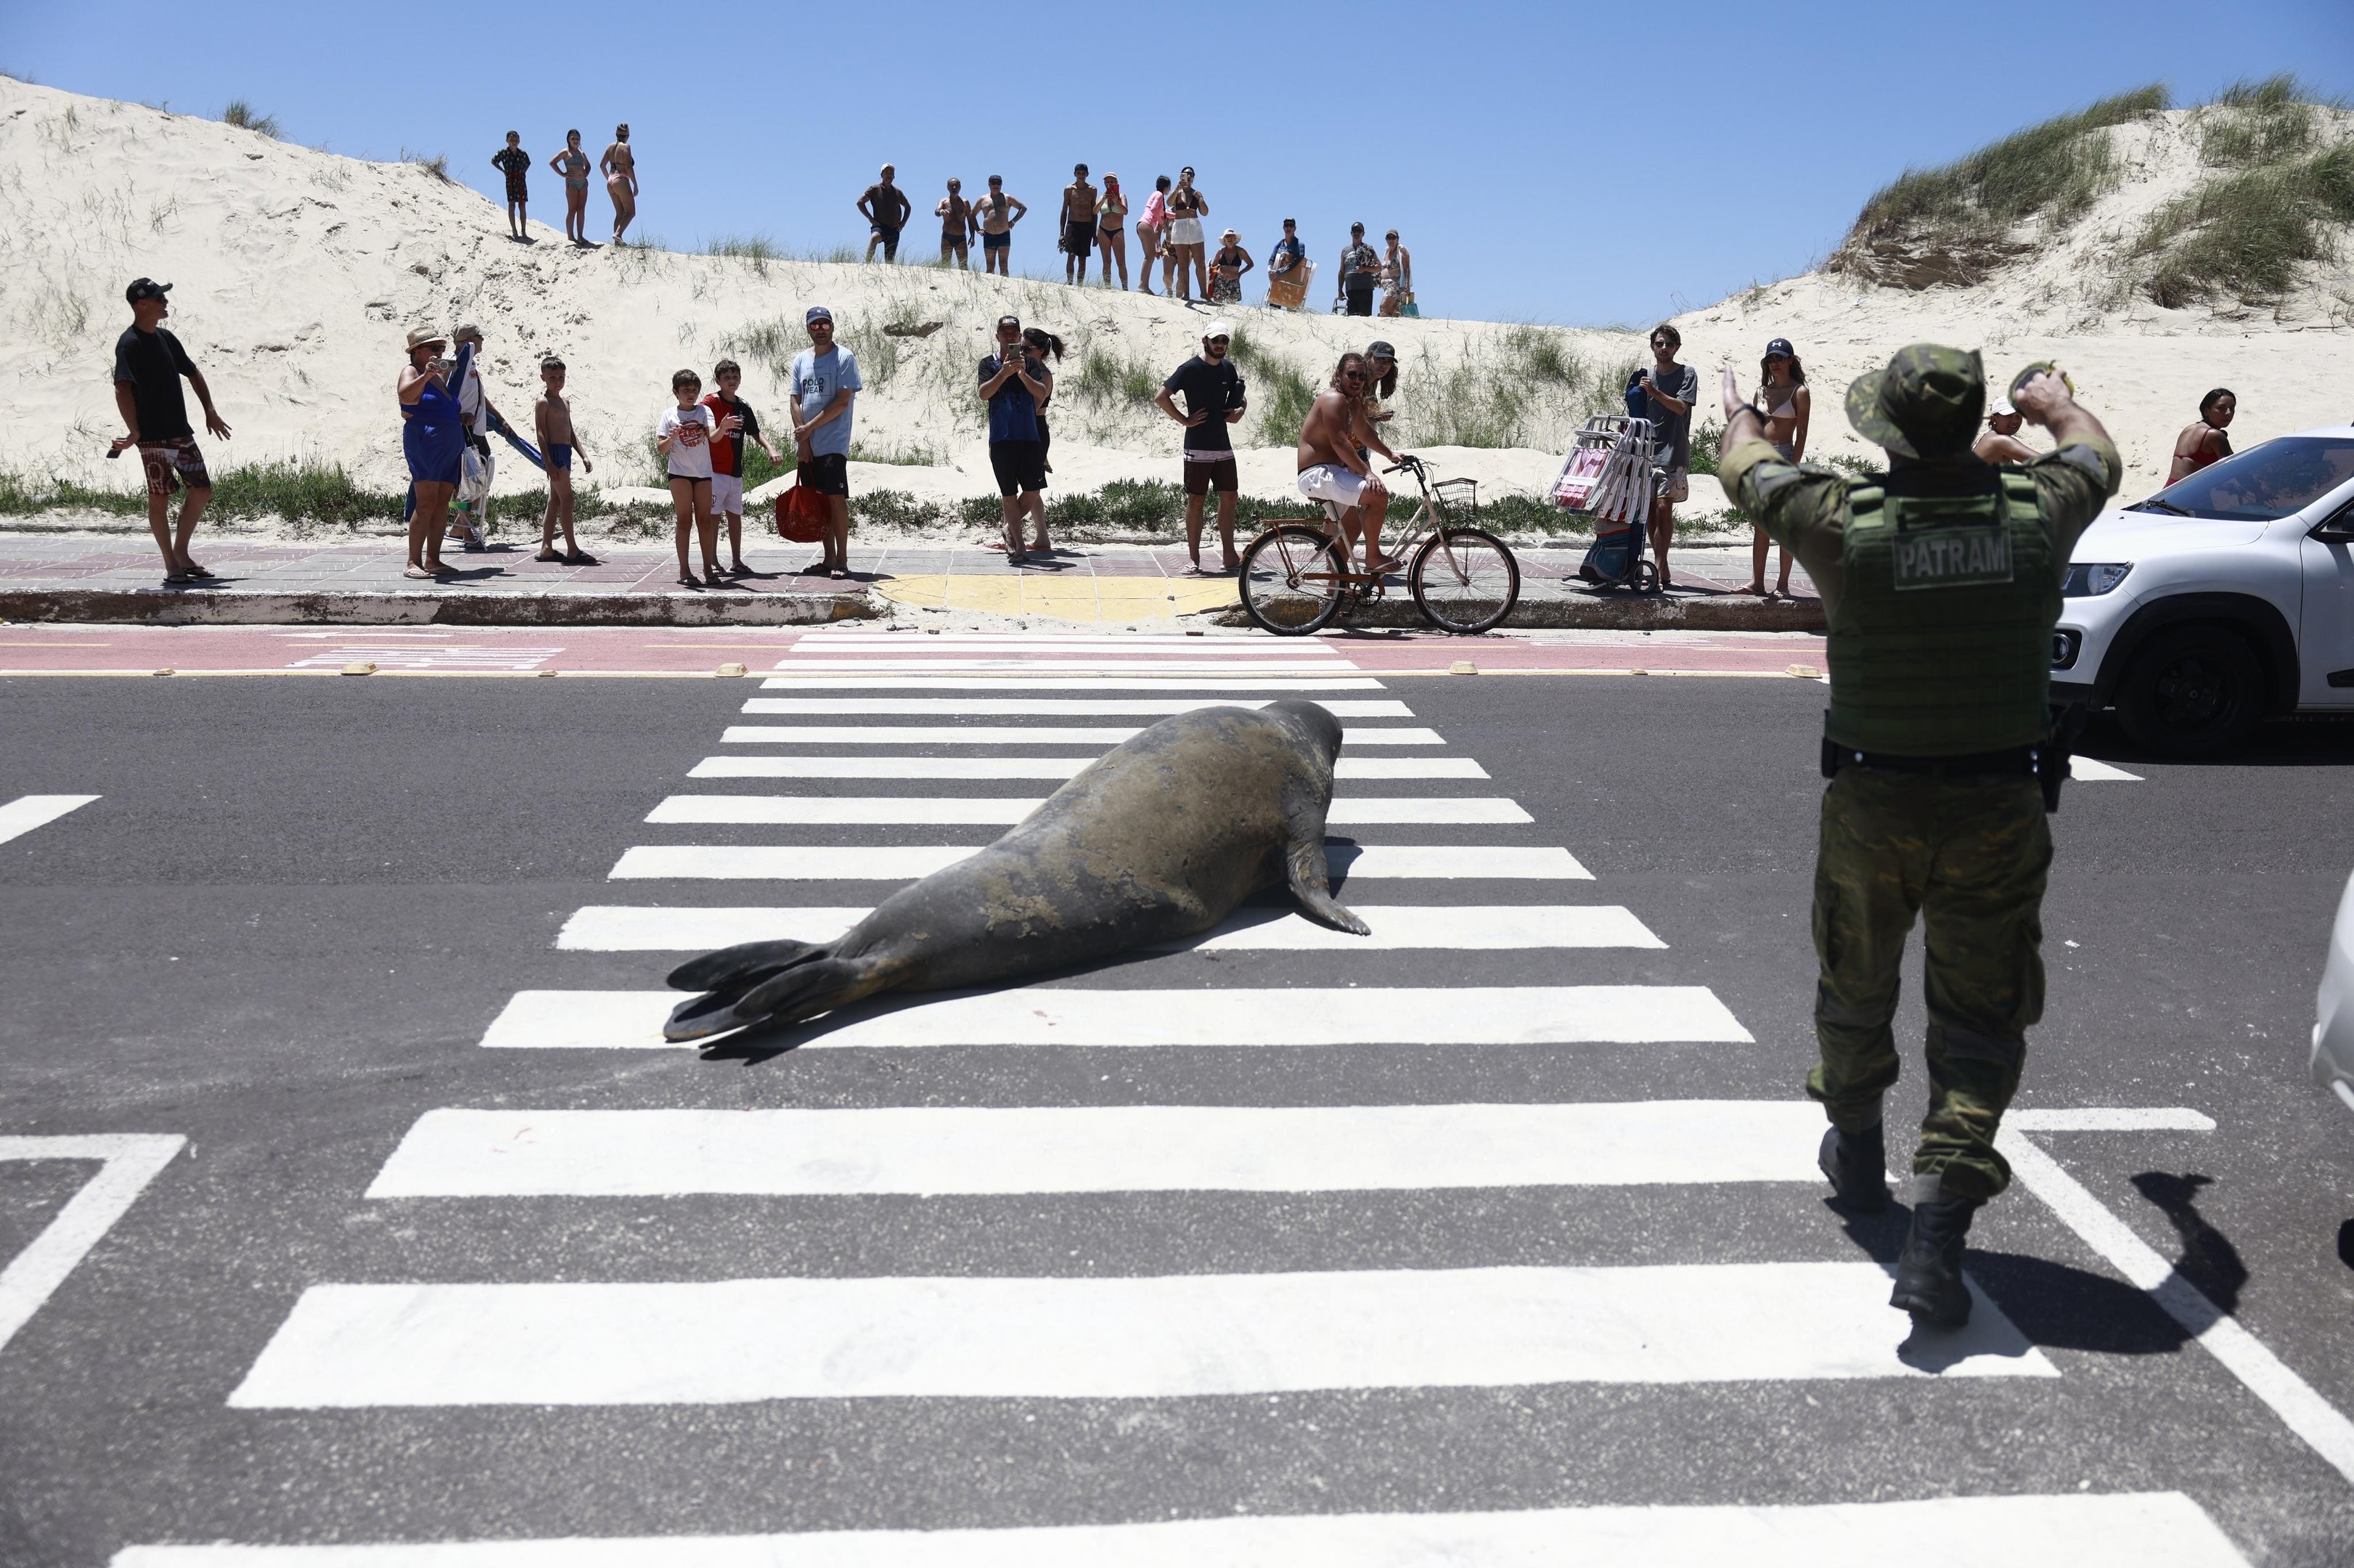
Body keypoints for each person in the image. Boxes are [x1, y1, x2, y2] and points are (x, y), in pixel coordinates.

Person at [1715, 344, 2122, 1328]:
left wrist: (1739, 412)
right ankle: (1938, 1229)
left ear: (1886, 435)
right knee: (1979, 1020)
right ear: (1973, 425)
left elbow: (1742, 467)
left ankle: (1856, 1150)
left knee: (1853, 980)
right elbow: (2096, 456)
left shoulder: (1837, 521)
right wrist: (2051, 403)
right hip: (1997, 804)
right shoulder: (2039, 512)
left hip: (1875, 800)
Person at [109, 279, 232, 585]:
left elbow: (193, 372)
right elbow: (122, 388)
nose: (165, 302)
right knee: (159, 498)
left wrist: (210, 411)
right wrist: (134, 431)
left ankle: (181, 553)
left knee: (202, 490)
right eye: (159, 298)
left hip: (180, 432)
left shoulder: (165, 337)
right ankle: (171, 564)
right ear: (142, 305)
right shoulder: (129, 343)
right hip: (152, 438)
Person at [1156, 320, 1249, 574]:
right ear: (1205, 341)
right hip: (1197, 447)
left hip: (1223, 444)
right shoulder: (1190, 368)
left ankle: (1229, 556)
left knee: (1230, 497)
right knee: (1197, 500)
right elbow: (1161, 397)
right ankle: (1193, 558)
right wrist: (1185, 420)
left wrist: (1240, 411)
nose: (1220, 345)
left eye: (1224, 341)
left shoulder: (1228, 368)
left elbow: (1240, 398)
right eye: (1215, 340)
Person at [1298, 353, 1398, 575]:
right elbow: (1340, 442)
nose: (1357, 380)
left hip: (1330, 473)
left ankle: (1336, 583)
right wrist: (1368, 473)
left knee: (1352, 526)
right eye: (1352, 374)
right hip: (1318, 473)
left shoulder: (1353, 402)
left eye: (1362, 376)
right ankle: (1373, 557)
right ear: (1338, 374)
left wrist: (1390, 454)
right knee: (1378, 495)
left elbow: (1364, 433)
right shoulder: (1334, 399)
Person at [788, 306, 861, 579]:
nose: (820, 329)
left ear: (832, 326)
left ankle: (842, 559)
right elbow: (795, 399)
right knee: (818, 501)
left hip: (833, 442)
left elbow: (842, 402)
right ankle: (828, 557)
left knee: (835, 499)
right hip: (809, 443)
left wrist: (809, 428)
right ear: (809, 328)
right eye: (815, 325)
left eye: (825, 324)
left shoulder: (844, 357)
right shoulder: (801, 360)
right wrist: (804, 439)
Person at [978, 314, 1053, 563]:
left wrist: (1021, 374)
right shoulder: (988, 364)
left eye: (1014, 333)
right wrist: (1003, 374)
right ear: (998, 336)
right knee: (1008, 493)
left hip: (1029, 436)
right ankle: (1019, 547)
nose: (1009, 337)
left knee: (1033, 490)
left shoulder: (1030, 364)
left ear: (1020, 336)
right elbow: (983, 394)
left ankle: (1009, 528)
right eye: (1005, 333)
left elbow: (1041, 393)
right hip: (1001, 438)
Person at [396, 326, 468, 579]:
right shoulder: (412, 371)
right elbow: (405, 397)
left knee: (441, 504)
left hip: (448, 446)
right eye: (434, 348)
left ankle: (433, 559)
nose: (439, 352)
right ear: (417, 351)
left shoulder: (438, 376)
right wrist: (426, 376)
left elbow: (440, 406)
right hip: (425, 443)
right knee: (426, 502)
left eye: (442, 348)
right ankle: (413, 561)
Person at [704, 356, 782, 576]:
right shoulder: (710, 403)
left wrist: (771, 449)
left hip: (735, 472)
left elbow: (755, 433)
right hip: (714, 471)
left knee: (735, 515)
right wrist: (722, 427)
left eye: (735, 377)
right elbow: (704, 425)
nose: (732, 381)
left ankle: (737, 560)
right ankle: (712, 560)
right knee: (713, 516)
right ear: (718, 380)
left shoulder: (743, 406)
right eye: (727, 377)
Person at [1744, 336, 1809, 599]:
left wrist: (1794, 466)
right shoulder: (1761, 391)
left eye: (1780, 358)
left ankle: (1782, 584)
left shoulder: (1799, 392)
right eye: (1770, 359)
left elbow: (1802, 434)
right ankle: (1757, 582)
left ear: (1790, 360)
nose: (1775, 363)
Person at [1639, 322, 1699, 588]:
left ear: (1677, 348)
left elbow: (1681, 407)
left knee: (1665, 508)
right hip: (1647, 453)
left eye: (1669, 344)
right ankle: (1660, 565)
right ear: (1653, 346)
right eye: (1660, 344)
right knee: (1650, 511)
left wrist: (1654, 392)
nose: (1664, 348)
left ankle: (1660, 563)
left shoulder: (1687, 374)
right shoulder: (1646, 375)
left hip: (1673, 450)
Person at [444, 323, 511, 551]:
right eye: (480, 337)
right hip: (461, 430)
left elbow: (480, 395)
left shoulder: (470, 364)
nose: (483, 341)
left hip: (476, 430)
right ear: (471, 340)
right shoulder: (454, 363)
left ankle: (459, 526)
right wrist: (459, 415)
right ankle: (465, 530)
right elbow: (444, 395)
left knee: (481, 477)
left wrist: (500, 418)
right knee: (467, 480)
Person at [532, 356, 597, 565]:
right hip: (554, 454)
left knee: (556, 500)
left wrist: (583, 454)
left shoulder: (565, 402)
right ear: (543, 378)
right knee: (567, 500)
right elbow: (541, 434)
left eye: (561, 377)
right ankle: (572, 549)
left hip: (565, 452)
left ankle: (546, 548)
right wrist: (548, 462)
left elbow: (570, 432)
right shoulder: (543, 403)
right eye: (552, 378)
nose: (557, 381)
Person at [2169, 388, 2236, 483]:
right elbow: (2235, 468)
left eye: (2232, 408)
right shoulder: (2214, 435)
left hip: (2170, 488)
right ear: (2206, 411)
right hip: (2192, 489)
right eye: (2222, 408)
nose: (2229, 413)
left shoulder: (2188, 429)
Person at [1164, 167, 1209, 301]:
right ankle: (1186, 293)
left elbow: (1205, 212)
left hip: (1194, 226)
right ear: (1181, 176)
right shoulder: (1177, 192)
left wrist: (1201, 199)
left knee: (1200, 262)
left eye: (1191, 174)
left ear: (1194, 177)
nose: (1188, 176)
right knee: (1183, 264)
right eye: (1185, 174)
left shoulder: (1196, 193)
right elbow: (1169, 202)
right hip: (1180, 226)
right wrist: (1177, 188)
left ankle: (1204, 293)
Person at [974, 175, 1025, 278]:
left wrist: (1013, 221)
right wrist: (978, 229)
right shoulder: (983, 199)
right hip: (989, 235)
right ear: (989, 184)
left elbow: (1023, 208)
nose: (996, 185)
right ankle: (989, 286)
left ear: (1001, 185)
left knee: (1004, 264)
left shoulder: (1007, 198)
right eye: (993, 183)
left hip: (1004, 234)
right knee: (990, 266)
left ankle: (1005, 286)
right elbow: (972, 215)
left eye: (998, 183)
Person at [859, 165, 912, 264]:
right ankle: (866, 264)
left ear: (894, 176)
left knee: (889, 261)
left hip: (894, 229)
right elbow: (860, 202)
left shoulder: (898, 192)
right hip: (880, 226)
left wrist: (903, 223)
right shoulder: (874, 189)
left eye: (891, 173)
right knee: (875, 237)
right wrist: (870, 218)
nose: (889, 175)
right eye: (886, 172)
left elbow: (908, 207)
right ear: (881, 175)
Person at [549, 130, 592, 246]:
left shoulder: (582, 153)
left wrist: (586, 173)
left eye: (577, 138)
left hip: (583, 183)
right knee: (572, 209)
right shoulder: (565, 152)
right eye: (573, 138)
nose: (575, 140)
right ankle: (571, 236)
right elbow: (552, 162)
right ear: (568, 139)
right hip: (572, 183)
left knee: (581, 209)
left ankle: (580, 236)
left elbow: (588, 165)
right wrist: (563, 174)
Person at [1058, 163, 1098, 285]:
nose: (1081, 175)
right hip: (1072, 225)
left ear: (1087, 174)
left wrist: (1094, 233)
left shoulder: (1092, 190)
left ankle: (1080, 285)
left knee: (1083, 257)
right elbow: (1064, 211)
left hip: (1086, 226)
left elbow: (1094, 212)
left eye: (1083, 173)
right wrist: (1062, 233)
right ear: (1075, 174)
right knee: (1071, 255)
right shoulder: (1069, 189)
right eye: (1079, 173)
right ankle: (1070, 283)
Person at [1973, 398, 2040, 466]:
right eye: (2009, 415)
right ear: (1994, 419)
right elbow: (2044, 463)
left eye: (2019, 415)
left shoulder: (1987, 435)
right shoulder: (2000, 441)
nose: (2015, 420)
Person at [491, 131, 531, 241]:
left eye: (516, 140)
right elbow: (494, 161)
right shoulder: (503, 153)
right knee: (512, 204)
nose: (514, 142)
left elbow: (528, 163)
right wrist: (504, 171)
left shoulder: (522, 153)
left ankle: (524, 231)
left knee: (522, 205)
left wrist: (523, 172)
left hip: (521, 180)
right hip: (510, 180)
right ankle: (514, 230)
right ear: (507, 141)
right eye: (512, 140)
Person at [600, 124, 637, 245]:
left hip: (610, 181)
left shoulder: (610, 147)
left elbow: (602, 165)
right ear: (628, 135)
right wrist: (635, 184)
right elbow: (629, 167)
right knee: (631, 212)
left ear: (616, 134)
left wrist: (609, 178)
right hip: (621, 179)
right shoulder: (625, 147)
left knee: (620, 213)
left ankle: (617, 243)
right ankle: (618, 234)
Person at [1136, 175, 1170, 295]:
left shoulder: (1156, 194)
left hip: (1142, 225)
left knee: (1149, 255)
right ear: (1166, 187)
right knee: (1150, 256)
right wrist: (1162, 223)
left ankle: (1144, 285)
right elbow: (1154, 209)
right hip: (1147, 225)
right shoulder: (1159, 195)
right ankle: (1143, 285)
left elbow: (1161, 213)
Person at [1095, 173, 1129, 290]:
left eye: (1112, 181)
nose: (1109, 183)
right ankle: (1107, 287)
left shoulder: (1121, 196)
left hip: (1117, 231)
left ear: (1116, 183)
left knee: (1121, 262)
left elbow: (1125, 212)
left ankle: (1125, 288)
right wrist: (1103, 199)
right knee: (1106, 262)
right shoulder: (1102, 197)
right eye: (1107, 182)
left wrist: (1116, 201)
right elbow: (1095, 211)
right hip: (1103, 231)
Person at [1266, 218, 1309, 307]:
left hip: (1293, 281)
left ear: (1295, 228)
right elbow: (1272, 259)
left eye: (1291, 225)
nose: (1288, 228)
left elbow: (1296, 261)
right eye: (1286, 225)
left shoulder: (1299, 245)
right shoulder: (1279, 244)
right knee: (1274, 307)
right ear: (1283, 227)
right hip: (1278, 280)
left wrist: (1279, 272)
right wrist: (1270, 271)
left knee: (1292, 309)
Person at [1340, 223, 1381, 317]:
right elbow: (1342, 272)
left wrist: (1365, 269)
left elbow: (1379, 267)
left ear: (1363, 234)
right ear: (1351, 233)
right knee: (1352, 318)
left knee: (1365, 319)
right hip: (1350, 290)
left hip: (1365, 290)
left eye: (1359, 231)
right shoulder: (1345, 251)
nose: (1356, 233)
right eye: (1355, 231)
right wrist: (1340, 290)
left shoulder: (1369, 249)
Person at [936, 178, 976, 269]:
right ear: (948, 187)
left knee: (963, 266)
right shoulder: (943, 201)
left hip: (961, 238)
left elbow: (970, 220)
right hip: (947, 237)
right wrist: (941, 211)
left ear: (960, 187)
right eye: (952, 186)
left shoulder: (965, 203)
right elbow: (937, 211)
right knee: (946, 264)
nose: (954, 187)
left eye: (956, 185)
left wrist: (972, 236)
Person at [1208, 229, 1253, 304]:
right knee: (1217, 304)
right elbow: (1213, 266)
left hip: (1234, 281)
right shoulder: (1221, 251)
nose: (1229, 238)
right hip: (1220, 281)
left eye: (1231, 236)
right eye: (1227, 236)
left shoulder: (1241, 251)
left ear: (1235, 238)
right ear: (1224, 240)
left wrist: (1240, 273)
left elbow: (1251, 264)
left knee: (1232, 305)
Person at [1377, 229, 1413, 317]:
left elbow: (1407, 268)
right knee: (1394, 310)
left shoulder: (1401, 250)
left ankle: (1383, 324)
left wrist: (1407, 285)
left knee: (1384, 307)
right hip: (1386, 286)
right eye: (1389, 238)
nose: (1391, 240)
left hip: (1395, 285)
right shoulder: (1387, 251)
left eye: (1393, 238)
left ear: (1398, 239)